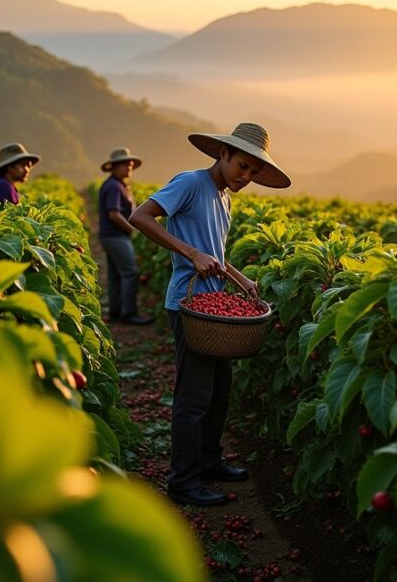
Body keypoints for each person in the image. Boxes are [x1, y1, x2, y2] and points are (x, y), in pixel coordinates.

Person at [130, 122, 291, 507]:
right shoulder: (190, 183)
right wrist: (190, 255)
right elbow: (141, 217)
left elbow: (215, 256)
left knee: (219, 392)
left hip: (214, 308)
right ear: (223, 154)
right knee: (194, 396)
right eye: (242, 166)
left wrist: (239, 278)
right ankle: (183, 480)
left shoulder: (224, 198)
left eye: (253, 171)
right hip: (189, 308)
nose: (246, 176)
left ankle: (209, 461)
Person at [98, 147, 155, 325]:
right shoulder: (114, 186)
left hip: (111, 236)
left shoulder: (118, 185)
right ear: (114, 167)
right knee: (130, 272)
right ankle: (129, 313)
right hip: (116, 236)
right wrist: (132, 229)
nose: (128, 167)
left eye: (130, 164)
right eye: (125, 164)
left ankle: (116, 311)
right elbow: (114, 214)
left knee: (116, 273)